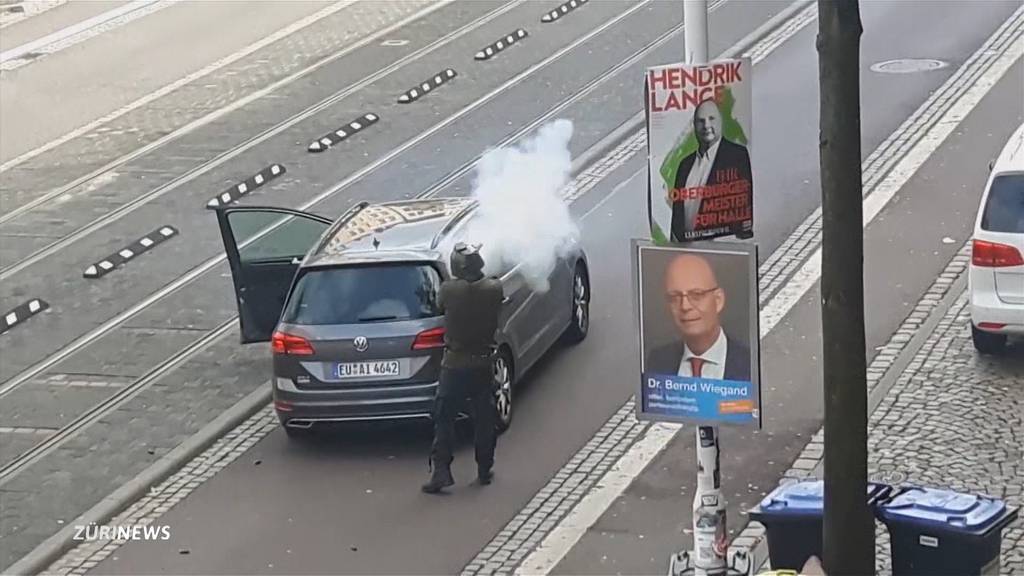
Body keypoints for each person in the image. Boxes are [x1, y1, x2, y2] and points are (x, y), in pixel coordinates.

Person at [422, 243, 503, 494]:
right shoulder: (493, 287)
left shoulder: (448, 289)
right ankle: (484, 468)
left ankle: (441, 471)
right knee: (484, 419)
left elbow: (438, 305)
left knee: (444, 418)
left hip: (454, 364)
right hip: (482, 362)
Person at [646, 253, 750, 381]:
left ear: (718, 300)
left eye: (696, 295)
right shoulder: (658, 361)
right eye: (674, 297)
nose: (685, 306)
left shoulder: (750, 362)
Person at [671, 98, 753, 241]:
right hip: (688, 247)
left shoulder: (737, 155)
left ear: (720, 122)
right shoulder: (684, 165)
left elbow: (744, 201)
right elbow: (677, 215)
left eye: (711, 118)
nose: (706, 125)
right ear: (694, 126)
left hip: (721, 244)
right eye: (700, 121)